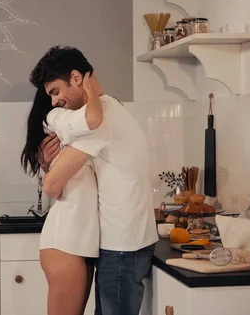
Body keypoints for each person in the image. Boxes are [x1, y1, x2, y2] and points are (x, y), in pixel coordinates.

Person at [31, 45, 159, 315]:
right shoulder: (112, 106)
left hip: (122, 245)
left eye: (55, 91)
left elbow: (53, 185)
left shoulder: (98, 121)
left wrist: (48, 169)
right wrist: (47, 165)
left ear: (76, 78)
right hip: (128, 241)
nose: (54, 101)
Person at [21, 67, 103, 315]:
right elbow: (94, 119)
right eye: (52, 94)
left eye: (57, 92)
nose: (57, 100)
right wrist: (97, 95)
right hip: (66, 243)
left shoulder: (70, 128)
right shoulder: (61, 118)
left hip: (77, 243)